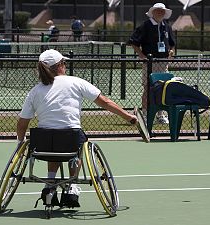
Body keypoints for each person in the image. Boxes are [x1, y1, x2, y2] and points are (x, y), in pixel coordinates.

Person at [16, 49, 137, 207]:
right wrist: (128, 117)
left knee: (53, 142)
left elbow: (22, 123)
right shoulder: (76, 82)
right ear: (60, 65)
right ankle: (72, 187)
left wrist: (20, 142)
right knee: (77, 144)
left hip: (43, 143)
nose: (65, 65)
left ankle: (49, 184)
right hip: (71, 139)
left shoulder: (34, 91)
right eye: (64, 63)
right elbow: (105, 102)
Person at [128, 3, 175, 124]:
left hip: (163, 63)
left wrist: (171, 51)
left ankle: (161, 115)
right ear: (153, 12)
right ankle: (145, 114)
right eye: (158, 11)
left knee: (163, 88)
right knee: (148, 88)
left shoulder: (167, 26)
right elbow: (133, 42)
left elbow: (172, 42)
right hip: (150, 63)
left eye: (162, 11)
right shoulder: (146, 25)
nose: (160, 13)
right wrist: (141, 55)